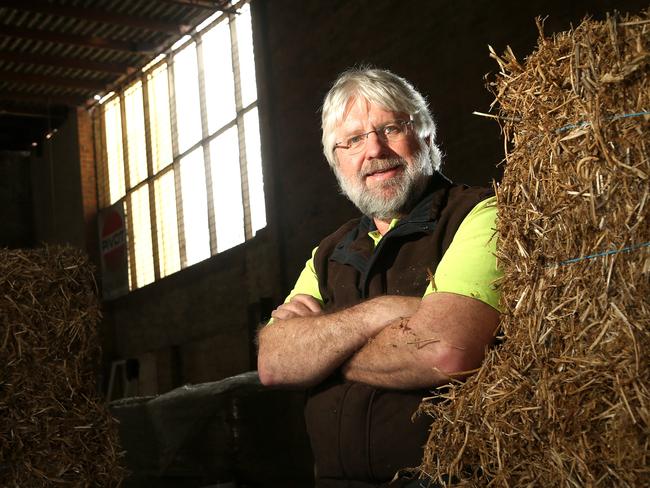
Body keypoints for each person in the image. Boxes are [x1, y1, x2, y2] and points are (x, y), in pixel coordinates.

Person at [257, 67, 501, 487]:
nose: (373, 149)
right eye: (351, 140)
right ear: (337, 163)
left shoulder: (479, 215)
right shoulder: (328, 253)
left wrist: (320, 351)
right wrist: (383, 314)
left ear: (426, 136)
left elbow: (444, 351)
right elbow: (274, 362)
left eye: (389, 127)